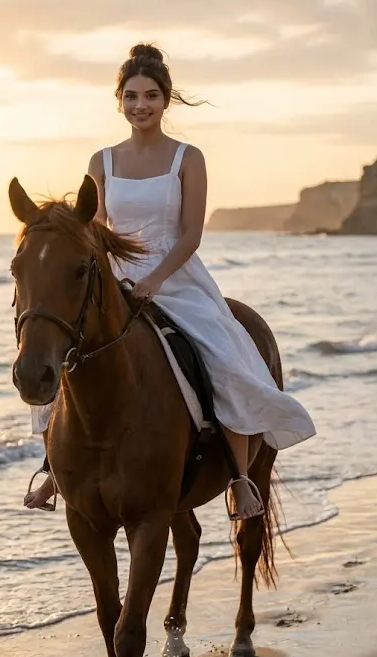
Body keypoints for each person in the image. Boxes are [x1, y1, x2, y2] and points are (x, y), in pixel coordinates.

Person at [24, 43, 316, 515]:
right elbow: (97, 227)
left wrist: (155, 280)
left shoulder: (187, 158)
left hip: (175, 275)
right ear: (119, 100)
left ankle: (241, 479)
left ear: (166, 99)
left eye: (151, 96)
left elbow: (191, 235)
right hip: (114, 274)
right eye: (132, 96)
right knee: (58, 351)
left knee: (227, 359)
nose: (141, 105)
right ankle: (53, 469)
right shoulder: (103, 161)